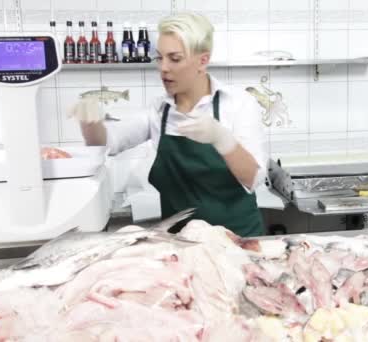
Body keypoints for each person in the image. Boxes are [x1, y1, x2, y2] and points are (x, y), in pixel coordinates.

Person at [67, 12, 267, 237]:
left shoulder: (238, 104)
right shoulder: (159, 111)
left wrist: (223, 139)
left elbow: (254, 179)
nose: (163, 68)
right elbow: (109, 144)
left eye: (175, 58)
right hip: (180, 245)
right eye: (159, 57)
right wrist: (90, 123)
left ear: (203, 60)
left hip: (237, 240)